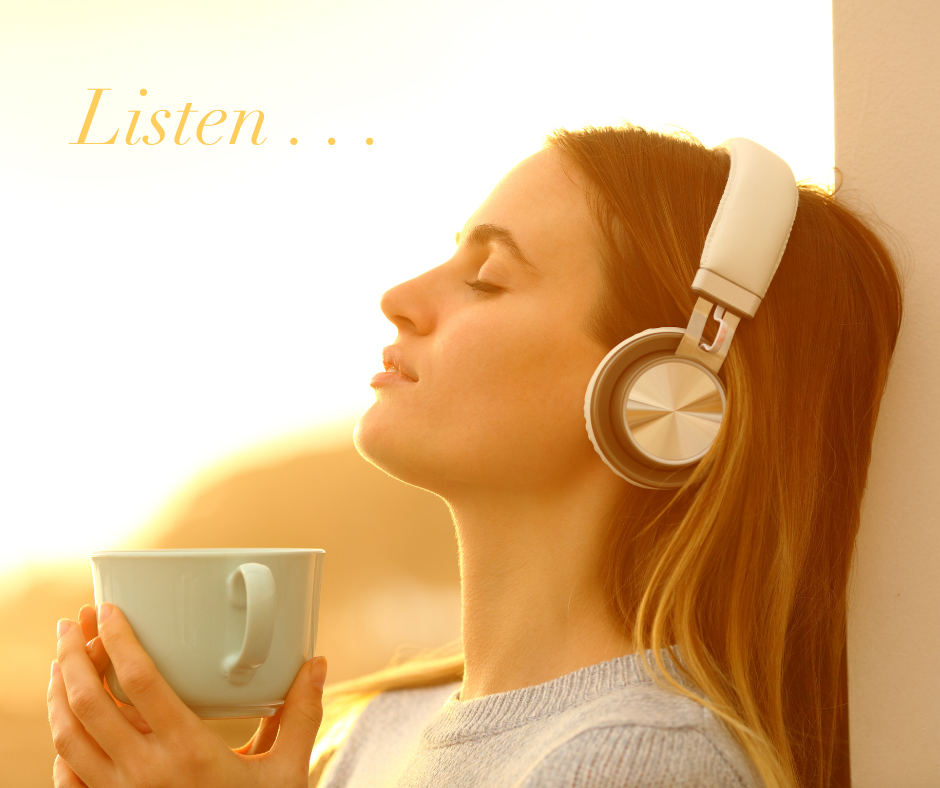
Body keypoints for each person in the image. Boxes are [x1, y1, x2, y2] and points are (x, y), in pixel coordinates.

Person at [47, 123, 904, 788]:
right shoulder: (380, 728)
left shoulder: (641, 759)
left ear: (661, 394)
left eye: (487, 278)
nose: (400, 298)